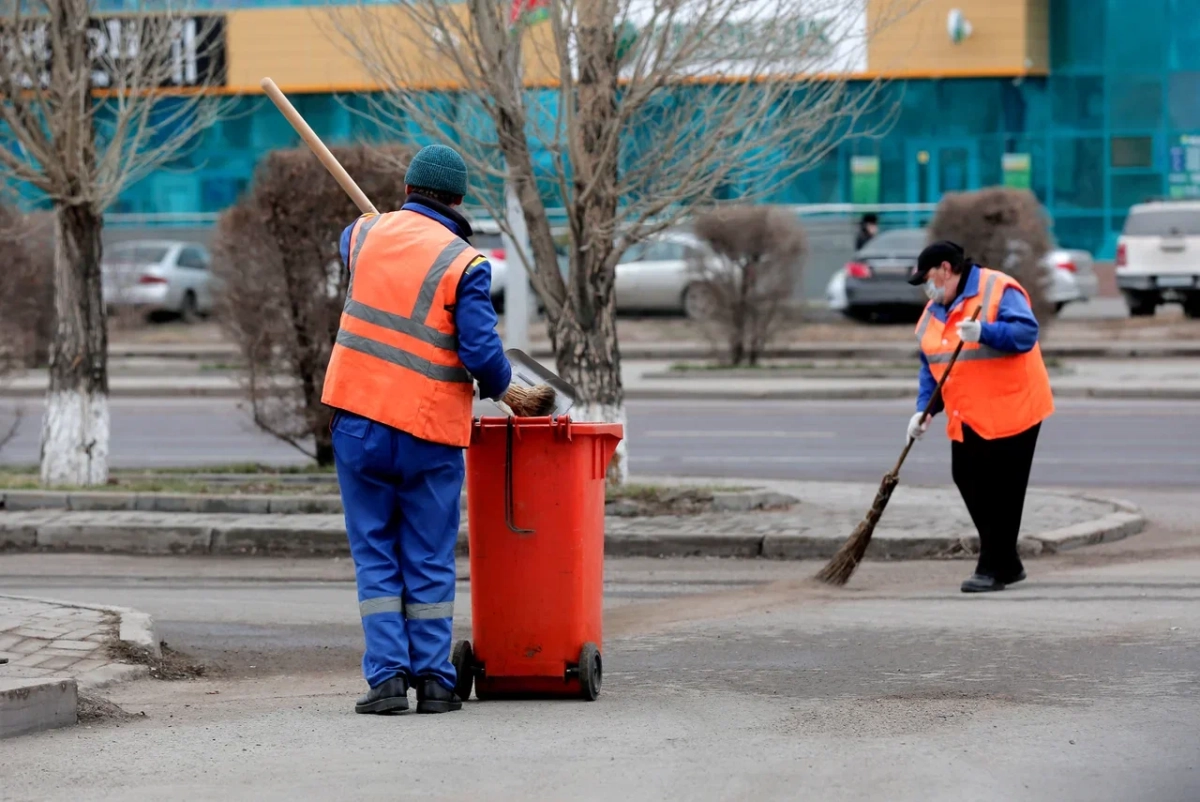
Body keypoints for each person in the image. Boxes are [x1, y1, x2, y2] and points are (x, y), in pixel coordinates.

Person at [322, 144, 512, 714]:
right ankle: (433, 680)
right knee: (428, 555)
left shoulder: (363, 237)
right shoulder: (464, 263)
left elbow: (345, 243)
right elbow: (482, 355)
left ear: (406, 190)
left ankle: (385, 680)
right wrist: (506, 388)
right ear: (458, 200)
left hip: (358, 423)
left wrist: (378, 222)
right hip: (427, 431)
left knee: (374, 552)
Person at [904, 240, 1054, 594]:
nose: (927, 288)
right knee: (966, 477)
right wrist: (924, 410)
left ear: (945, 269)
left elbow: (1026, 333)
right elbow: (932, 367)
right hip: (968, 412)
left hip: (1015, 407)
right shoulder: (931, 314)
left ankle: (990, 567)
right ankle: (1009, 564)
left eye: (928, 279)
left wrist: (985, 331)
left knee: (1004, 491)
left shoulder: (997, 288)